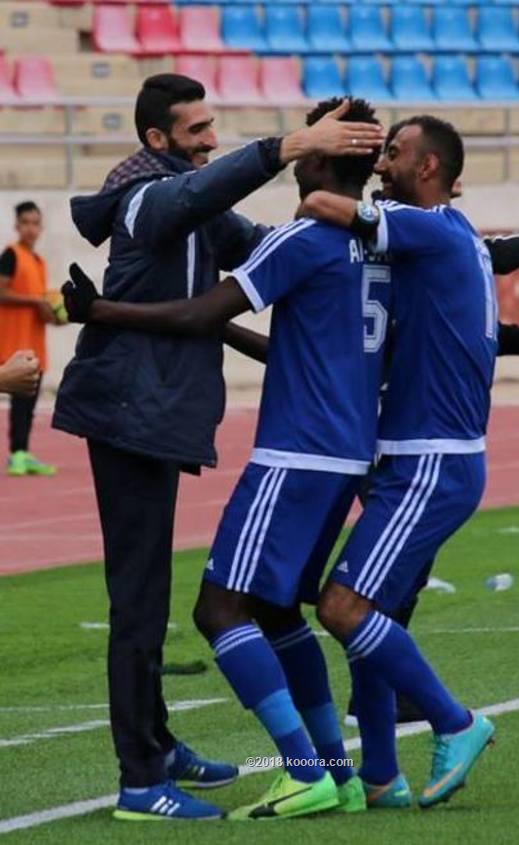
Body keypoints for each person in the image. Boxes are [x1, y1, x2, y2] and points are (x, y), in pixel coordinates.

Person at [53, 76, 383, 823]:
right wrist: (290, 148)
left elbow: (273, 247)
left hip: (157, 417)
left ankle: (162, 744)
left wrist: (372, 222)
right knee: (140, 603)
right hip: (127, 414)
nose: (209, 138)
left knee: (162, 597)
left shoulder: (201, 206)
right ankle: (142, 781)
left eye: (212, 126)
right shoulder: (147, 197)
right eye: (195, 129)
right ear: (157, 141)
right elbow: (197, 201)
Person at [296, 115, 519, 809]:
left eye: (393, 154)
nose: (381, 165)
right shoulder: (450, 237)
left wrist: (313, 159)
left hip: (430, 461)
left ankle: (456, 721)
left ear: (427, 168)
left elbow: (321, 204)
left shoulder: (428, 227)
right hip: (421, 457)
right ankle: (380, 775)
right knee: (373, 614)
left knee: (341, 607)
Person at [0, 202, 60, 476]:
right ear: (16, 225)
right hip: (12, 343)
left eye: (35, 223)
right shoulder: (10, 255)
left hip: (34, 344)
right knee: (20, 403)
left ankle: (23, 452)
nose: (30, 228)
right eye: (25, 222)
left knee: (29, 405)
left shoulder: (39, 262)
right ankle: (17, 455)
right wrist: (36, 302)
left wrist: (53, 313)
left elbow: (39, 303)